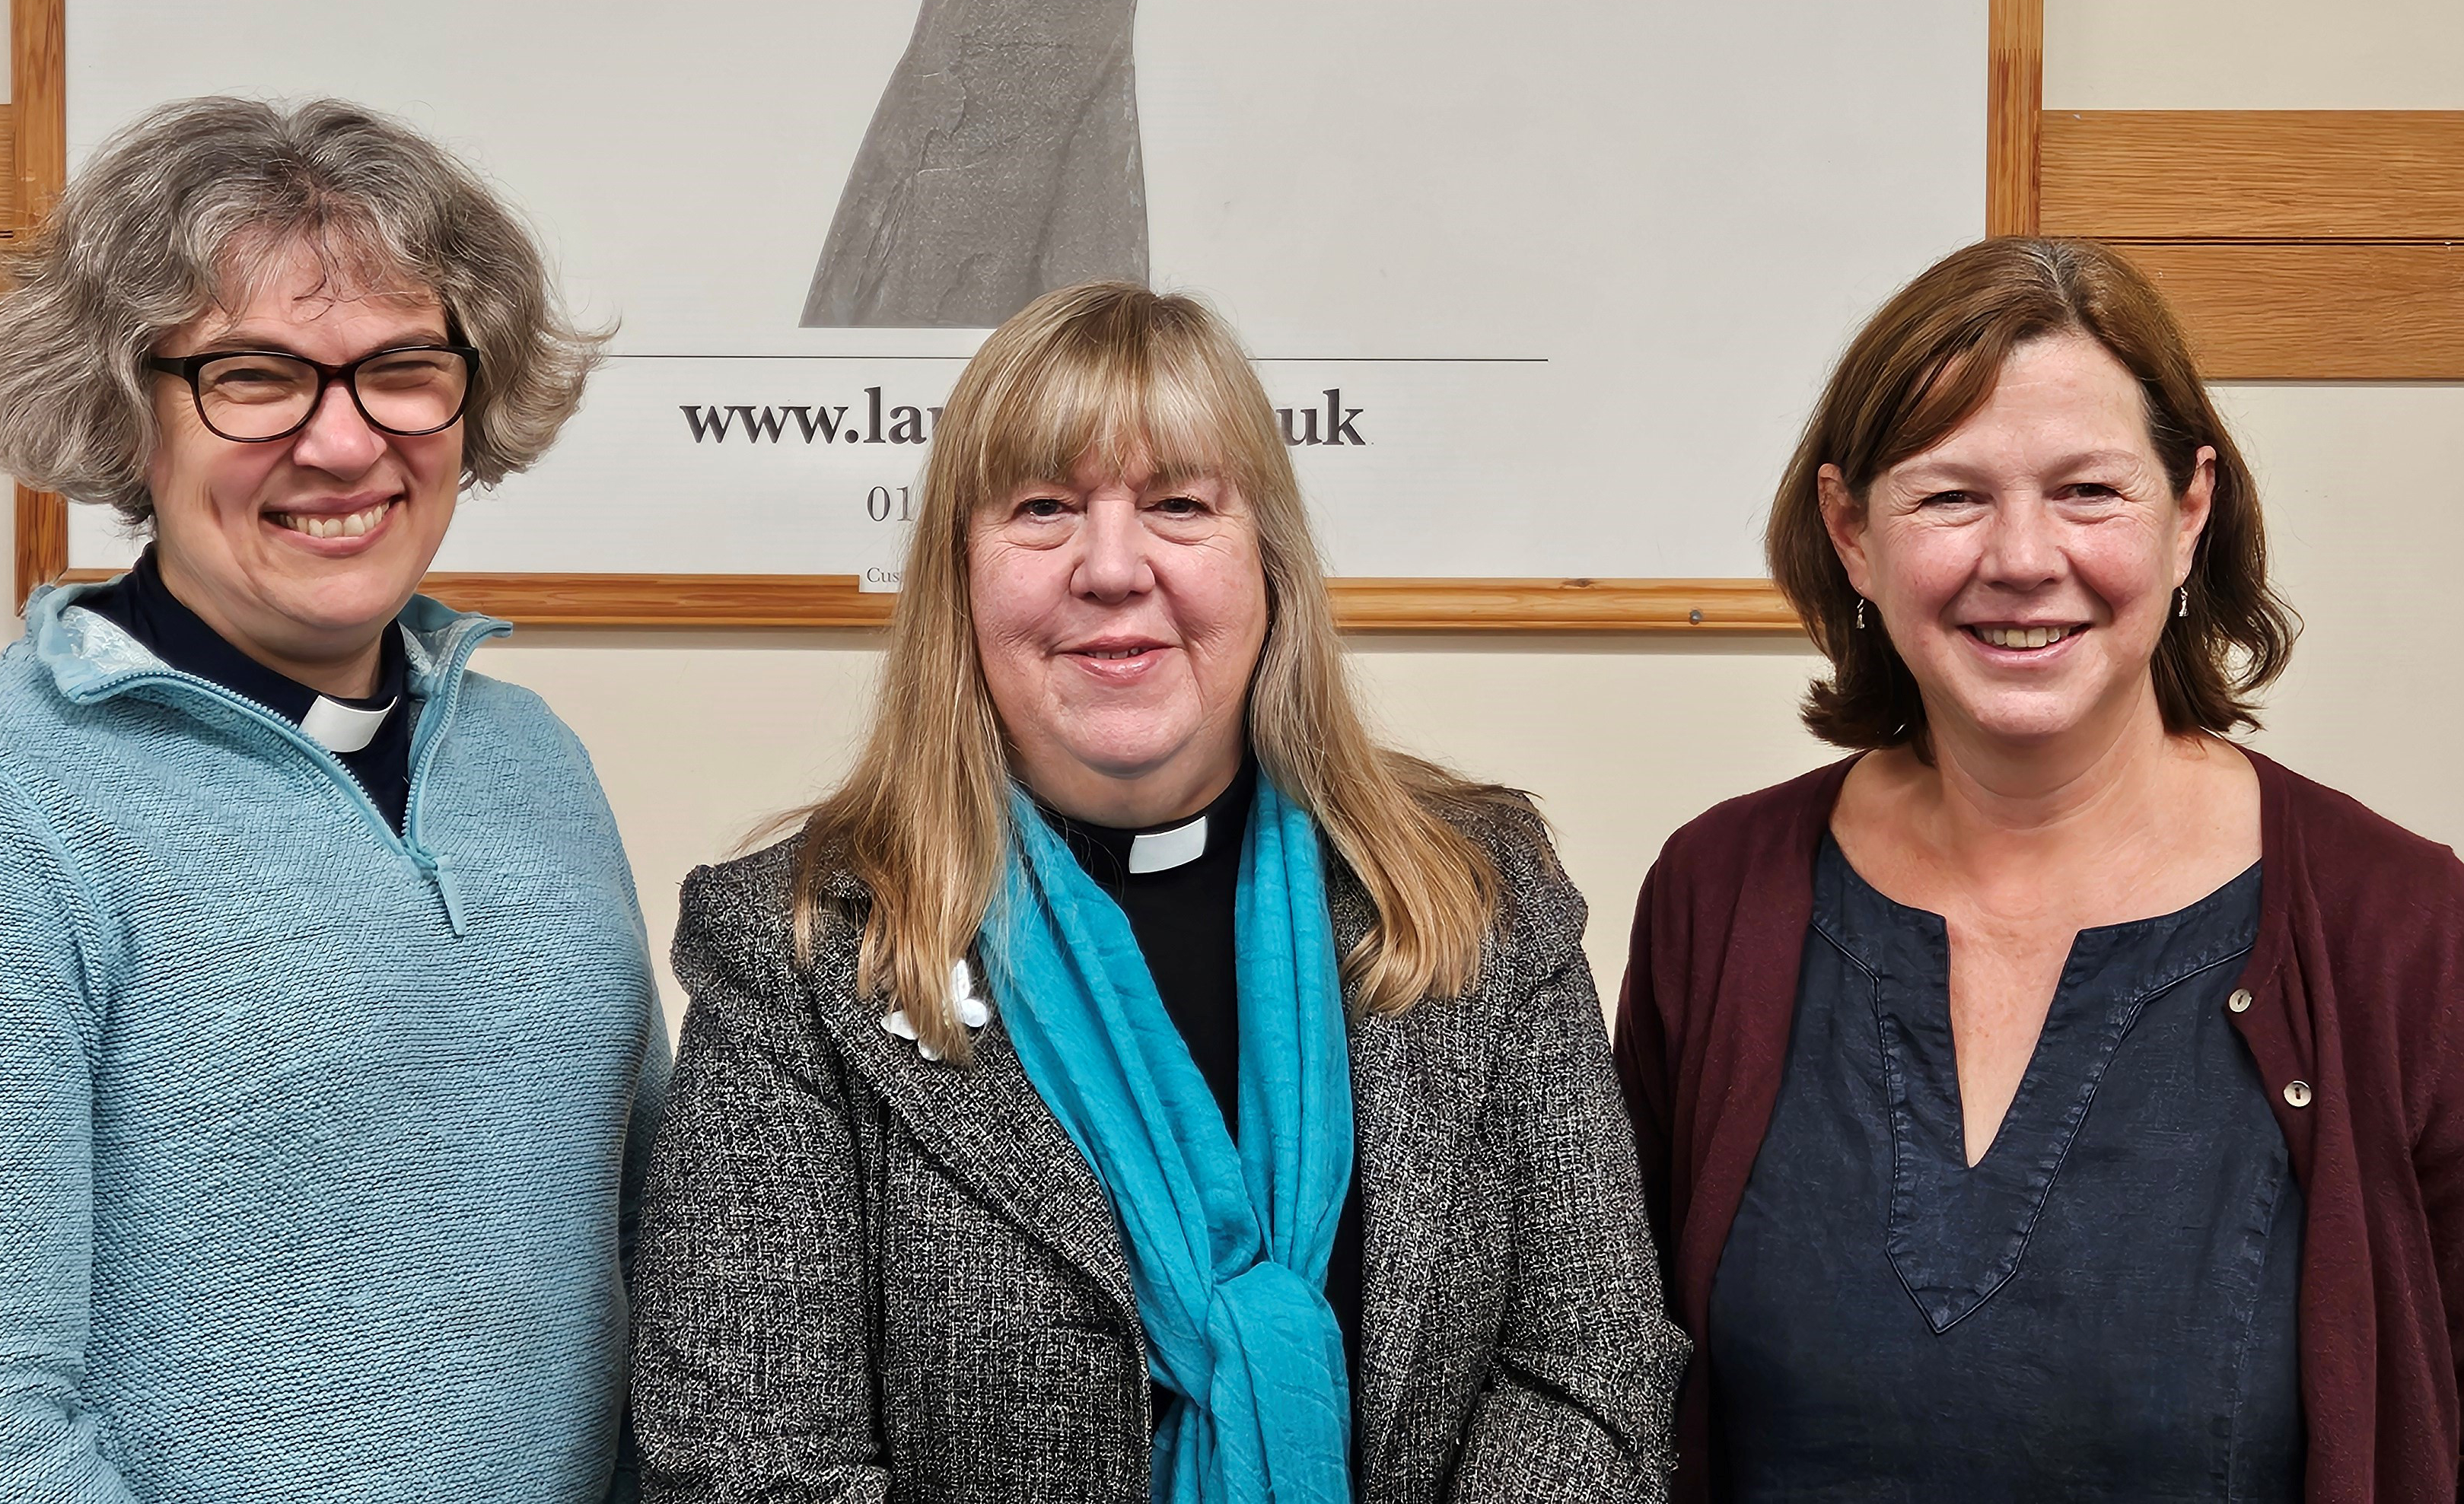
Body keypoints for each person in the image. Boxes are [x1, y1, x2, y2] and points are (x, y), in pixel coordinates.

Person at [1614, 237, 2464, 1502]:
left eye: (2090, 490)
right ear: (1851, 531)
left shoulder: (2411, 939)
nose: (2024, 556)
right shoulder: (1718, 900)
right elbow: (1622, 1396)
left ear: (2189, 511)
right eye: (1950, 496)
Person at [631, 282, 1683, 1503]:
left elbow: (1590, 1366)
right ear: (959, 577)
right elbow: (748, 1466)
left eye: (1179, 503)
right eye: (1043, 509)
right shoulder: (800, 948)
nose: (1114, 566)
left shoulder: (1476, 890)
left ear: (1268, 562)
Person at [0, 97, 658, 1503]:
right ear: (130, 407)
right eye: (254, 375)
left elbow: (656, 1256)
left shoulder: (530, 760)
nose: (346, 444)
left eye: (403, 367)